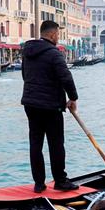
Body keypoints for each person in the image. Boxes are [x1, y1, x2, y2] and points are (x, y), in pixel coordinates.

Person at [21, 21, 79, 193]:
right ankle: (60, 180)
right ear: (53, 35)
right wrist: (73, 98)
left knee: (35, 144)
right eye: (58, 35)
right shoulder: (54, 53)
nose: (58, 38)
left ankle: (39, 184)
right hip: (50, 106)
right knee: (56, 144)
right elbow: (65, 77)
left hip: (30, 104)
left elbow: (25, 75)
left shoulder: (27, 52)